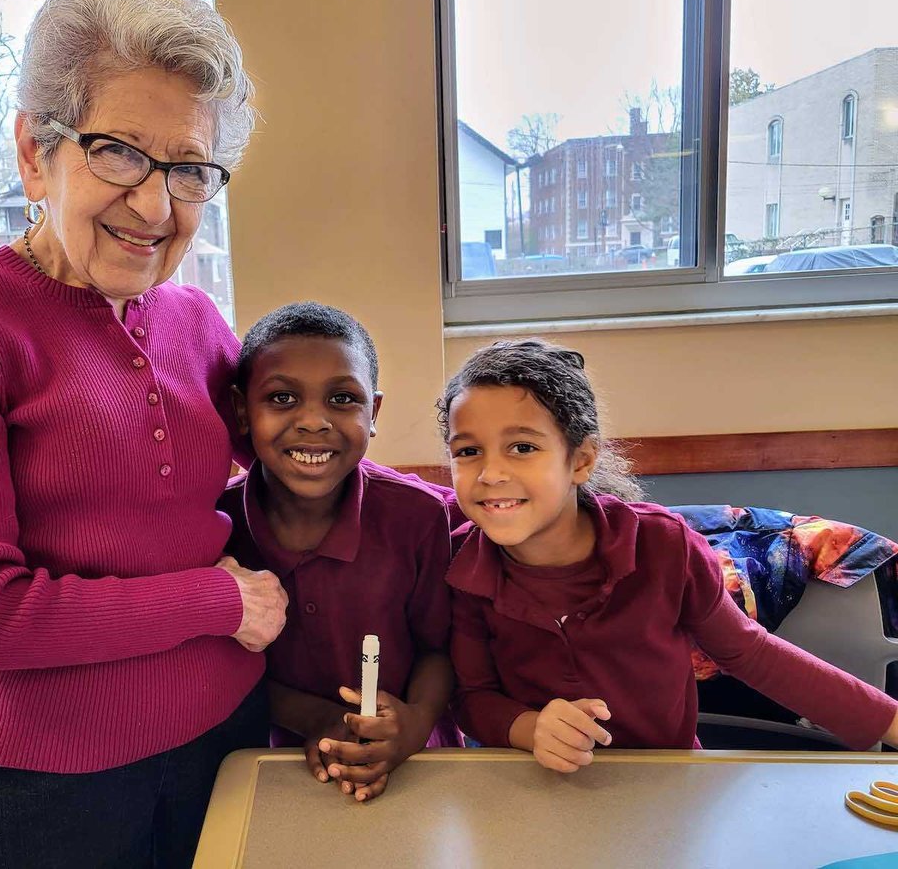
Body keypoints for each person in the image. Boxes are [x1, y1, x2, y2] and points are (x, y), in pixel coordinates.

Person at [0, 0, 287, 868]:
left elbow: (297, 469)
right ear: (37, 153)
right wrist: (215, 600)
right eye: (118, 153)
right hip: (49, 785)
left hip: (228, 738)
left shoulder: (198, 322)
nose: (156, 208)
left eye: (189, 169)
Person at [441, 339, 898, 772]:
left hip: (669, 783)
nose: (491, 472)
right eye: (468, 451)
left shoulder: (662, 546)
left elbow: (752, 654)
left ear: (580, 460)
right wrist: (529, 728)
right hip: (525, 787)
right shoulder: (463, 564)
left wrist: (890, 723)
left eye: (523, 447)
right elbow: (473, 698)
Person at [218, 302, 457, 803]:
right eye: (282, 398)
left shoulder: (418, 517)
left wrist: (412, 726)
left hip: (414, 762)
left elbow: (440, 647)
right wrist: (319, 720)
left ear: (374, 413)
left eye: (343, 399)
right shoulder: (215, 525)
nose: (313, 422)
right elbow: (218, 667)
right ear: (243, 410)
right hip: (270, 765)